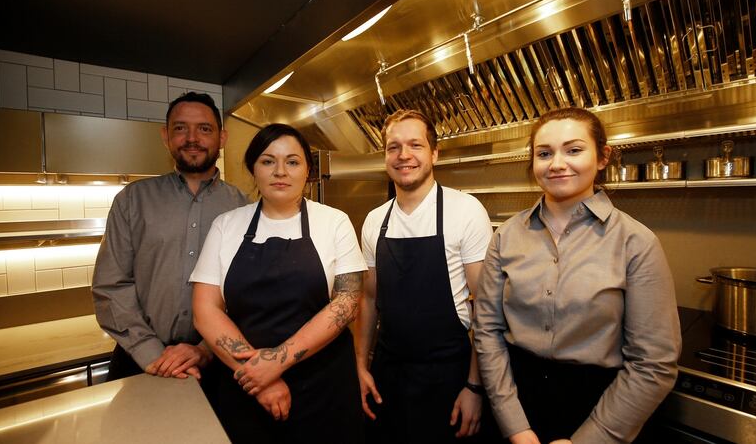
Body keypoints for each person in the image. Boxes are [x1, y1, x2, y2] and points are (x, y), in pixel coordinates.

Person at [473, 107, 681, 444]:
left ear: (602, 157)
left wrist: (589, 439)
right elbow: (487, 332)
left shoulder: (636, 242)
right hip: (514, 401)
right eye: (544, 153)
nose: (556, 163)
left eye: (573, 150)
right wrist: (515, 427)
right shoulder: (506, 236)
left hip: (600, 407)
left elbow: (653, 362)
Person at [190, 123, 367, 444]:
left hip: (324, 388)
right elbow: (205, 310)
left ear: (307, 170)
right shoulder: (226, 226)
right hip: (247, 386)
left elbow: (347, 303)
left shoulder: (334, 222)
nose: (280, 171)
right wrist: (261, 378)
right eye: (268, 161)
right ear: (253, 169)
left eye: (293, 161)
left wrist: (275, 363)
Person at [355, 109, 495, 444]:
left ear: (434, 153)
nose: (404, 155)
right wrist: (360, 365)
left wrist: (475, 386)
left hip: (449, 373)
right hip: (389, 371)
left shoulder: (465, 210)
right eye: (393, 147)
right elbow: (370, 298)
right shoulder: (375, 220)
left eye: (415, 145)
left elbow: (486, 308)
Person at [92, 92, 247, 382]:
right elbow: (111, 286)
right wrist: (152, 355)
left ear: (222, 138)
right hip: (142, 361)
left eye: (204, 128)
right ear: (165, 136)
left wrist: (205, 349)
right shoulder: (131, 200)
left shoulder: (244, 207)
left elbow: (249, 292)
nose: (192, 138)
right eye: (180, 128)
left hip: (219, 362)